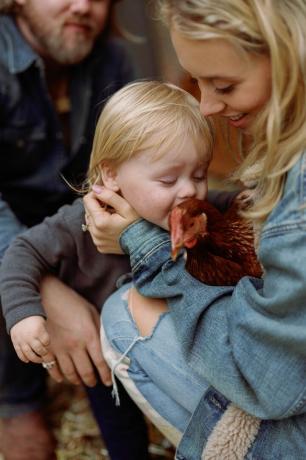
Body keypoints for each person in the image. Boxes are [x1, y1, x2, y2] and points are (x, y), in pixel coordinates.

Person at [82, 0, 306, 459]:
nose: (206, 105)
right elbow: (30, 252)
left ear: (289, 55)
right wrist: (35, 304)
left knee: (122, 316)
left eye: (224, 84)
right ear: (109, 176)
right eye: (197, 82)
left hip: (283, 402)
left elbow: (270, 377)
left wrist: (146, 247)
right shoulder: (88, 213)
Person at [0, 80, 214, 458]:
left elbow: (236, 206)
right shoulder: (75, 224)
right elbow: (21, 251)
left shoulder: (196, 215)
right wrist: (24, 315)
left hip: (171, 348)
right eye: (169, 179)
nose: (190, 191)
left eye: (199, 175)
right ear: (111, 175)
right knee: (121, 431)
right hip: (104, 361)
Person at [0, 2, 151, 460]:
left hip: (76, 235)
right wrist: (42, 289)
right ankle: (15, 402)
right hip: (16, 247)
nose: (84, 6)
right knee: (30, 446)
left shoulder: (111, 60)